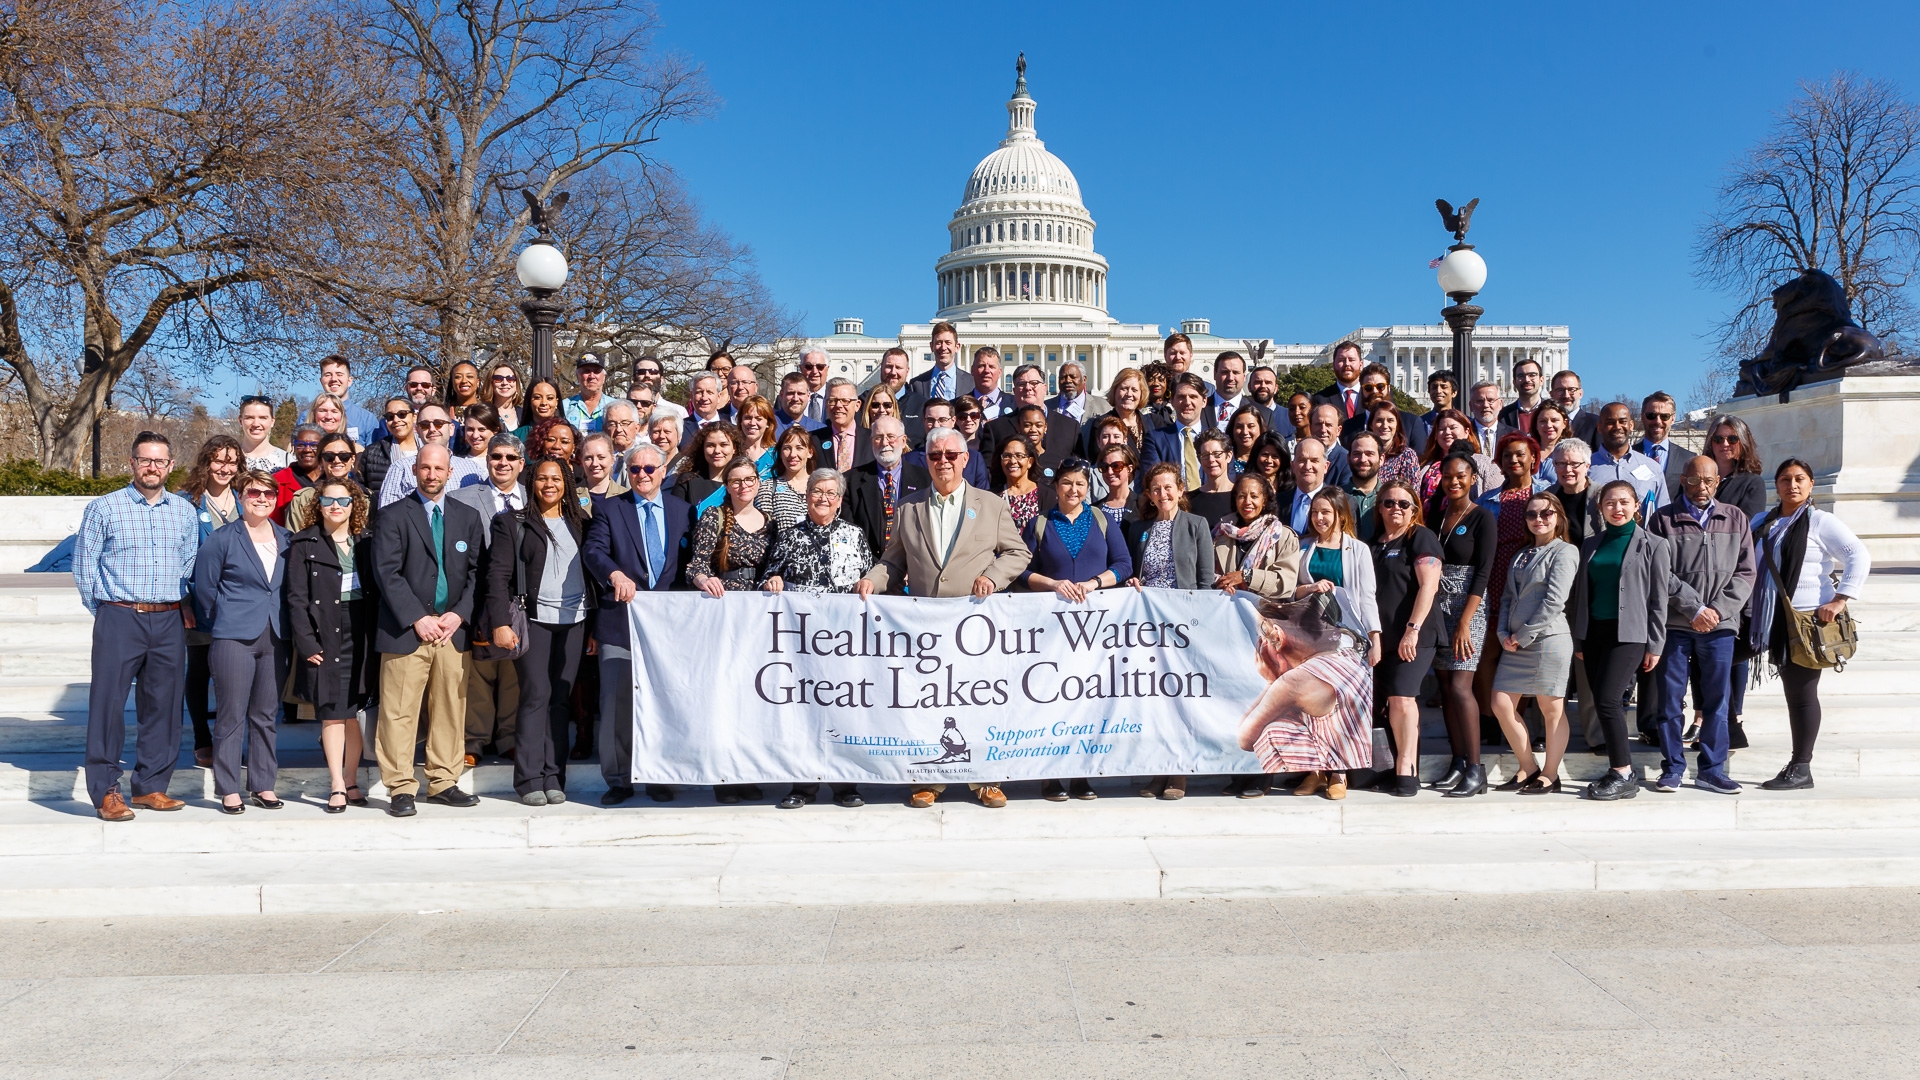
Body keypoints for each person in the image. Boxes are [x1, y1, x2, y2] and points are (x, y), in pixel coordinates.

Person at [856, 428, 1032, 809]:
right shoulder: (908, 507)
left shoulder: (990, 504)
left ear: (965, 459)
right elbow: (894, 561)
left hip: (975, 629)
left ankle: (985, 778)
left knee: (977, 702)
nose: (943, 462)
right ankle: (929, 779)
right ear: (927, 460)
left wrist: (992, 577)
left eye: (951, 455)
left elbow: (1017, 554)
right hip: (926, 632)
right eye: (935, 456)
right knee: (931, 704)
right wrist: (872, 579)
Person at [75, 432, 199, 820]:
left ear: (171, 466)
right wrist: (107, 610)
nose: (152, 468)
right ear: (132, 463)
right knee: (108, 705)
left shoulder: (183, 511)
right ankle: (106, 791)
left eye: (160, 461)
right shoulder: (104, 508)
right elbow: (84, 566)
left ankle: (150, 786)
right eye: (145, 460)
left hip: (167, 618)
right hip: (119, 616)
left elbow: (188, 562)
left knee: (163, 705)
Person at [371, 445, 487, 817]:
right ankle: (401, 787)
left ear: (450, 472)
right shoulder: (391, 516)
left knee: (450, 709)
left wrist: (459, 615)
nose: (432, 474)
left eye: (439, 468)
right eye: (425, 467)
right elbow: (386, 573)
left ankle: (443, 781)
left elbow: (476, 574)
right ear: (415, 471)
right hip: (407, 631)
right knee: (399, 712)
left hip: (452, 631)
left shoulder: (467, 517)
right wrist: (416, 618)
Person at [1747, 458, 1870, 791]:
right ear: (1778, 485)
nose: (1793, 485)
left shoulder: (1820, 522)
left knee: (1800, 695)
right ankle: (1727, 728)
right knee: (1717, 662)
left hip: (1803, 622)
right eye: (1785, 479)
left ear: (1811, 484)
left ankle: (1801, 766)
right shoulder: (1762, 520)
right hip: (1762, 617)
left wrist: (1840, 599)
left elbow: (1858, 555)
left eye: (1800, 479)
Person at [583, 444, 693, 805]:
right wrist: (614, 573)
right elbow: (594, 551)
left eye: (649, 468)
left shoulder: (682, 511)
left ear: (663, 471)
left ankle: (660, 774)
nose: (642, 475)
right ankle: (618, 778)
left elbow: (690, 564)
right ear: (625, 473)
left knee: (666, 702)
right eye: (634, 470)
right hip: (620, 621)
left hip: (670, 629)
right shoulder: (610, 509)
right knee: (617, 704)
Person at [1018, 459, 1130, 802]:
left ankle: (1082, 775)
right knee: (1052, 699)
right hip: (1051, 630)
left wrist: (1095, 583)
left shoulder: (1102, 520)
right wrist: (1053, 584)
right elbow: (1020, 571)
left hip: (1095, 630)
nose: (1074, 490)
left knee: (1087, 701)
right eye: (1067, 483)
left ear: (1088, 487)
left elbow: (1123, 564)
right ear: (1056, 486)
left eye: (1080, 483)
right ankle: (1052, 775)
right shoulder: (1038, 524)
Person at [762, 467, 872, 809]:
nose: (823, 498)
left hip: (845, 641)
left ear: (839, 500)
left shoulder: (854, 535)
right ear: (806, 495)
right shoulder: (790, 535)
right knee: (805, 713)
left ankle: (845, 785)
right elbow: (769, 572)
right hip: (803, 643)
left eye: (830, 493)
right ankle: (804, 786)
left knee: (844, 710)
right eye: (817, 491)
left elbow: (870, 574)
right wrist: (773, 580)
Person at [488, 456, 595, 807]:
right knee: (536, 694)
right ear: (531, 483)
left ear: (566, 484)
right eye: (542, 479)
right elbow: (497, 578)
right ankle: (529, 779)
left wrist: (593, 627)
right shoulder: (512, 523)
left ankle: (554, 776)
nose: (549, 484)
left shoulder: (582, 523)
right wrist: (500, 623)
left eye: (557, 478)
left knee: (561, 698)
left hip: (575, 620)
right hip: (533, 619)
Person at [1647, 453, 1756, 794]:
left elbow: (1746, 572)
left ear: (1718, 482)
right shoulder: (1663, 520)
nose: (1701, 488)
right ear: (1682, 480)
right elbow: (1658, 572)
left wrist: (1717, 611)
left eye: (1708, 481)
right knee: (1669, 700)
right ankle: (1673, 768)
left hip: (1720, 627)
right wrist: (1694, 608)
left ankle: (1711, 769)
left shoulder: (1735, 518)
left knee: (1716, 701)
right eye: (1694, 481)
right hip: (1677, 625)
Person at [191, 469, 290, 814]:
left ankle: (263, 784)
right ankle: (229, 787)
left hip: (275, 636)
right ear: (241, 496)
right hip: (233, 636)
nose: (261, 499)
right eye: (253, 493)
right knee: (231, 714)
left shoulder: (287, 539)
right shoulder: (222, 539)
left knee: (265, 714)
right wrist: (225, 617)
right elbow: (204, 590)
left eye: (268, 494)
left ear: (276, 499)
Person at [1121, 461, 1218, 801]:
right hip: (1149, 630)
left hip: (1184, 628)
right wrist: (1131, 580)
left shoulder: (1197, 525)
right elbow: (1133, 574)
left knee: (1180, 700)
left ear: (1180, 489)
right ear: (1148, 494)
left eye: (1169, 487)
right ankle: (1158, 769)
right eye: (1156, 489)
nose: (1163, 494)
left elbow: (1206, 579)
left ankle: (1179, 772)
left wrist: (1201, 625)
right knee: (1155, 702)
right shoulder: (1138, 529)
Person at [1570, 479, 1672, 801]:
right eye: (1610, 503)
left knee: (1609, 700)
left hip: (1629, 635)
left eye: (1624, 502)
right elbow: (1581, 595)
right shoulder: (1590, 544)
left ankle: (1624, 773)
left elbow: (1659, 599)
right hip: (1594, 633)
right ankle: (1619, 769)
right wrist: (1580, 640)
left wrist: (1655, 644)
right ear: (1600, 509)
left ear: (1636, 506)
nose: (1617, 508)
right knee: (1603, 701)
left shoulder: (1654, 545)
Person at [1281, 489, 1380, 801]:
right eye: (1314, 513)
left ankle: (1339, 772)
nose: (1319, 518)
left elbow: (1366, 596)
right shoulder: (1302, 547)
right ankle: (1315, 771)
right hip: (1311, 638)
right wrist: (1309, 587)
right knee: (1312, 704)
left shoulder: (1358, 550)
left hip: (1348, 639)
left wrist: (1374, 636)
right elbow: (1290, 593)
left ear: (1340, 514)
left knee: (1341, 706)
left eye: (1325, 512)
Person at [286, 478, 376, 812]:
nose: (335, 507)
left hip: (362, 633)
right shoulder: (303, 542)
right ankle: (337, 784)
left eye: (343, 501)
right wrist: (307, 642)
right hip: (325, 632)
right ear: (318, 504)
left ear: (355, 505)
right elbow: (295, 598)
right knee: (332, 713)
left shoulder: (367, 541)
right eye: (328, 501)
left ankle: (351, 779)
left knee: (353, 713)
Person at [1237, 591, 1376, 804]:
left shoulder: (1294, 680)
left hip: (1344, 752)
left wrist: (1270, 682)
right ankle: (1318, 773)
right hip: (1347, 750)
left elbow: (1245, 739)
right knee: (1290, 717)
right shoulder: (1347, 649)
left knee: (1270, 730)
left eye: (1263, 636)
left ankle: (1336, 775)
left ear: (1278, 636)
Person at [1489, 493, 1580, 795]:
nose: (1538, 519)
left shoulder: (1564, 552)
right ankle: (1529, 767)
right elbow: (1506, 598)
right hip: (1515, 642)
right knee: (1500, 703)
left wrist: (1523, 634)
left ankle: (1551, 774)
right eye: (1531, 514)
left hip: (1548, 640)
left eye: (1546, 513)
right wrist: (1503, 633)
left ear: (1558, 517)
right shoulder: (1521, 554)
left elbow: (1555, 600)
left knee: (1551, 709)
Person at [451, 432, 527, 765]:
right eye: (497, 457)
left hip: (522, 598)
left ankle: (509, 736)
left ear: (521, 464)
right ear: (487, 460)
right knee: (479, 673)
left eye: (511, 458)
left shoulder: (536, 494)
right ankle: (475, 740)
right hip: (478, 594)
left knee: (513, 670)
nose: (503, 463)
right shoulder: (463, 497)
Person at [1428, 453, 1497, 797]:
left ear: (1472, 479)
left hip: (1468, 609)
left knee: (1460, 686)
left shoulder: (1483, 517)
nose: (1453, 482)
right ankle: (1457, 761)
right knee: (1444, 689)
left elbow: (1483, 573)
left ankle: (1475, 768)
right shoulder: (1437, 517)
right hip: (1437, 609)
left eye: (1461, 476)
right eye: (1448, 477)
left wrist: (1464, 623)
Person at [1472, 433, 1549, 739]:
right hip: (1494, 580)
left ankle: (1521, 719)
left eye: (1520, 455)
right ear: (1499, 462)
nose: (1514, 461)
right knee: (1487, 652)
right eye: (1507, 456)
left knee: (1527, 653)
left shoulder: (1546, 494)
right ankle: (1490, 719)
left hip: (1532, 583)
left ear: (1533, 458)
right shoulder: (1486, 500)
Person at [1370, 479, 1442, 797]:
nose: (1395, 508)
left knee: (1402, 698)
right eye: (1389, 502)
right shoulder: (1374, 543)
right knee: (1387, 703)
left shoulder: (1420, 536)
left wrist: (1411, 630)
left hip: (1415, 635)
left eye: (1403, 503)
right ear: (1379, 508)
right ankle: (1392, 764)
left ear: (1414, 509)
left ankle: (1407, 768)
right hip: (1380, 638)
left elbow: (1429, 586)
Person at [178, 435, 243, 767]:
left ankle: (229, 740)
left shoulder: (247, 501)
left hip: (238, 605)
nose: (225, 468)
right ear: (206, 462)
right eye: (218, 460)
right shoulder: (186, 503)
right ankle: (203, 738)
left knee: (232, 674)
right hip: (200, 604)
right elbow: (176, 557)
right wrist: (185, 600)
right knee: (200, 670)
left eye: (231, 462)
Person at [1703, 414, 1767, 750]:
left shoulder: (1751, 483)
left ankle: (1732, 719)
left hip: (1733, 580)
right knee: (1713, 654)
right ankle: (1720, 721)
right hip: (1700, 579)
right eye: (1718, 438)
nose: (1724, 445)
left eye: (1731, 439)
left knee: (1728, 652)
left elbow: (1746, 529)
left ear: (1743, 444)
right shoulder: (1701, 476)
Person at [1213, 472, 1302, 603]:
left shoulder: (1282, 536)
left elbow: (1285, 583)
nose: (1247, 502)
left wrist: (1246, 577)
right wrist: (1220, 583)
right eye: (1242, 496)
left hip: (1264, 615)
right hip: (1226, 610)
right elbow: (1204, 571)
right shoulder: (1220, 532)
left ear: (1264, 500)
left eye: (1254, 496)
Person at [844, 416, 927, 557]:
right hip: (868, 568)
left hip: (913, 566)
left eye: (891, 437)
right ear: (871, 442)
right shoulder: (851, 481)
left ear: (903, 441)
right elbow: (849, 532)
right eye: (878, 437)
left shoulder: (925, 480)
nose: (884, 443)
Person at [979, 366, 1078, 481]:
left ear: (1044, 388)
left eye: (1034, 383)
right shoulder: (995, 428)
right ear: (1014, 390)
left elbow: (1079, 470)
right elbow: (988, 473)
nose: (1028, 388)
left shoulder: (1070, 427)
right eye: (1021, 384)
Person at [378, 402, 485, 507]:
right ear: (417, 430)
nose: (432, 429)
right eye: (424, 425)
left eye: (438, 423)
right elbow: (387, 517)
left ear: (451, 428)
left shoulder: (471, 469)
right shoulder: (400, 469)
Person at [1589, 402, 1668, 516]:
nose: (1617, 427)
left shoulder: (1652, 467)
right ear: (1600, 427)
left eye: (1623, 422)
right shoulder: (1586, 467)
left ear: (1631, 425)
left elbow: (1663, 513)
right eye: (1610, 422)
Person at [1416, 408, 1498, 516]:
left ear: (1466, 431)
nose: (1447, 432)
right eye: (1441, 429)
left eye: (1453, 427)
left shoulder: (1485, 464)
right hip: (1430, 528)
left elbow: (1494, 500)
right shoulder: (1425, 466)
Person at [899, 322, 973, 440]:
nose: (943, 347)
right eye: (938, 343)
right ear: (931, 346)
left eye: (948, 343)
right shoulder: (917, 384)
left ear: (957, 347)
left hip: (960, 445)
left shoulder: (971, 382)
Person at [1340, 362, 1429, 456]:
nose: (1375, 391)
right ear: (1362, 390)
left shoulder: (1411, 423)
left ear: (1388, 388)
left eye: (1380, 387)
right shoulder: (1348, 427)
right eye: (1368, 387)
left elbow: (1420, 461)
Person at [1140, 373, 1211, 490]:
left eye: (1193, 397)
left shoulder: (1218, 439)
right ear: (1172, 401)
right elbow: (1152, 480)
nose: (1187, 402)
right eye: (1181, 397)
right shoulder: (1155, 439)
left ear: (1204, 401)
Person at [284, 432, 363, 533]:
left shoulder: (366, 498)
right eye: (329, 456)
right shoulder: (303, 500)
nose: (336, 460)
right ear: (321, 460)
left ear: (353, 459)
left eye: (344, 456)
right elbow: (294, 540)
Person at [908, 398, 992, 488]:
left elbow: (981, 496)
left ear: (953, 421)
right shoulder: (909, 460)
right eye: (930, 420)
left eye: (942, 420)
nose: (936, 425)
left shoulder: (974, 459)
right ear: (924, 421)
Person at [673, 420, 743, 517]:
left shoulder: (743, 484)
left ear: (734, 448)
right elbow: (675, 519)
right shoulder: (687, 482)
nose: (717, 451)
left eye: (723, 445)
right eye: (710, 445)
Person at [757, 422, 818, 529]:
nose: (793, 454)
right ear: (780, 453)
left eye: (799, 448)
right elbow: (763, 532)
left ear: (810, 452)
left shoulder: (820, 486)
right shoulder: (768, 488)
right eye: (787, 448)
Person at [1637, 391, 1696, 497]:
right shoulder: (1627, 456)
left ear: (1673, 419)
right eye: (1651, 416)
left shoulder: (1689, 459)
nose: (1658, 421)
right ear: (1642, 417)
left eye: (1664, 416)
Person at [994, 434, 1054, 532]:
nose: (1012, 461)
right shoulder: (992, 497)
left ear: (1030, 461)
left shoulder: (1047, 496)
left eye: (1019, 456)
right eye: (1007, 456)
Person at [319, 354, 383, 446]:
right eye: (328, 375)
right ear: (321, 381)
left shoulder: (367, 420)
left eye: (339, 374)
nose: (333, 379)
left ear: (349, 381)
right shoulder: (306, 418)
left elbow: (374, 457)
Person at [359, 396, 417, 497]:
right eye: (390, 416)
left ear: (414, 417)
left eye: (402, 414)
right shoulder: (372, 452)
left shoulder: (429, 450)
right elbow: (361, 489)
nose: (396, 420)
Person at [271, 424, 326, 524]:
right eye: (301, 445)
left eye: (314, 445)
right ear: (294, 447)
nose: (307, 450)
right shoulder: (277, 481)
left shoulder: (333, 480)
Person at [815, 378, 872, 472]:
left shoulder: (873, 439)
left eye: (845, 401)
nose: (838, 405)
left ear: (857, 405)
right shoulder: (814, 440)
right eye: (833, 400)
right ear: (826, 405)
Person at [1182, 429, 1235, 527]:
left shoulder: (1240, 496)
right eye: (1205, 455)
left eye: (1217, 454)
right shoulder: (1189, 500)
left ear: (1228, 456)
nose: (1211, 460)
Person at [1283, 437, 1334, 535]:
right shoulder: (1277, 502)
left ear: (1325, 466)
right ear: (1293, 466)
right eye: (1302, 460)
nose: (1307, 466)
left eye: (1314, 460)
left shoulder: (1340, 503)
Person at [1367, 401, 1421, 488]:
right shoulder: (1364, 455)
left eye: (1390, 420)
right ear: (1371, 424)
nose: (1385, 425)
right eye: (1379, 420)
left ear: (1397, 424)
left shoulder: (1407, 456)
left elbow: (1413, 493)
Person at [1343, 432, 1385, 542]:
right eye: (1356, 454)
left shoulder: (1390, 498)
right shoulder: (1336, 497)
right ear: (1348, 458)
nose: (1363, 459)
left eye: (1369, 454)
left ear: (1381, 459)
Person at [1312, 341, 1367, 421]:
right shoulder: (1320, 399)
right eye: (1341, 360)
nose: (1347, 364)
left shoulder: (1374, 395)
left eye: (1351, 360)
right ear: (1333, 366)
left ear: (1361, 365)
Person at [1496, 356, 1547, 437]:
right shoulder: (1503, 416)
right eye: (1521, 376)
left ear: (1541, 380)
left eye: (1532, 375)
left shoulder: (1554, 412)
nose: (1527, 380)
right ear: (1514, 382)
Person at [561, 354, 611, 433]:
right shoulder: (564, 407)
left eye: (596, 371)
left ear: (604, 377)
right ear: (577, 376)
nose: (591, 376)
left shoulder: (616, 406)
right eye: (586, 371)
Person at [237, 395, 288, 472]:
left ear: (272, 421)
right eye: (249, 418)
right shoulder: (228, 459)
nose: (256, 424)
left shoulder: (287, 461)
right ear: (240, 421)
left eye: (263, 418)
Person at [1307, 405, 1353, 487]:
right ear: (1310, 428)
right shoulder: (1301, 456)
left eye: (1328, 425)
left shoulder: (1347, 461)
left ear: (1338, 430)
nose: (1323, 430)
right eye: (1318, 424)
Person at [1465, 381, 1515, 455]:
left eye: (1491, 400)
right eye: (1479, 401)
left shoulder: (1514, 435)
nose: (1485, 405)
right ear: (1471, 406)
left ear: (1500, 404)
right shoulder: (1464, 435)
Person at [1550, 370, 1599, 444]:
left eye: (1572, 390)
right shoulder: (1543, 425)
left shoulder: (1595, 423)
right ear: (1551, 394)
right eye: (1560, 390)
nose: (1566, 395)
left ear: (1580, 393)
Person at [1094, 444, 1138, 528]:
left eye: (1116, 466)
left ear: (1130, 469)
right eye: (1104, 467)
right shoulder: (1093, 509)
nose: (1110, 472)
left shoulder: (1142, 505)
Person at [772, 371, 826, 437]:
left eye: (800, 393)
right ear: (781, 395)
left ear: (809, 396)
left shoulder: (819, 430)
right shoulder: (768, 425)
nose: (796, 399)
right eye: (790, 393)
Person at [1530, 401, 1573, 483]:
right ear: (1536, 425)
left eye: (1554, 420)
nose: (1549, 425)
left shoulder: (1571, 454)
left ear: (1564, 423)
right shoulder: (1527, 452)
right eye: (1543, 421)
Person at [1225, 402, 1270, 477]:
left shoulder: (1268, 460)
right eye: (1239, 426)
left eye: (1251, 426)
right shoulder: (1225, 460)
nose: (1245, 432)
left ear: (1260, 428)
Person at [679, 372, 724, 446]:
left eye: (710, 392)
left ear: (719, 397)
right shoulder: (680, 428)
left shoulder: (732, 427)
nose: (704, 398)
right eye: (699, 392)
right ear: (691, 396)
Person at [513, 378, 563, 443]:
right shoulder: (515, 437)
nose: (544, 403)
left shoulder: (568, 433)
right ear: (529, 401)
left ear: (556, 402)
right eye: (537, 398)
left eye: (550, 398)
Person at [1207, 352, 1248, 427]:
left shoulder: (1262, 413)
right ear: (1215, 375)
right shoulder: (1199, 409)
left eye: (1236, 372)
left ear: (1244, 376)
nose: (1230, 378)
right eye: (1225, 372)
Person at [967, 346, 1008, 421]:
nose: (986, 370)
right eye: (981, 366)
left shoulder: (1015, 405)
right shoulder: (956, 405)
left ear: (999, 372)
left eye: (991, 367)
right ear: (972, 370)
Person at [579, 432, 622, 499]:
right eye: (589, 458)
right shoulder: (571, 495)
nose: (595, 464)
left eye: (601, 457)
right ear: (582, 460)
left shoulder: (625, 496)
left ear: (612, 460)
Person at [794, 347, 832, 423]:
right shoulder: (786, 399)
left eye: (820, 366)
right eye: (809, 367)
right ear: (801, 369)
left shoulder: (837, 398)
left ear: (827, 369)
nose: (814, 371)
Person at [486, 361, 523, 432]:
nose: (505, 383)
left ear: (516, 383)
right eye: (498, 379)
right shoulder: (484, 414)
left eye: (510, 379)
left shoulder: (525, 414)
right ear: (490, 383)